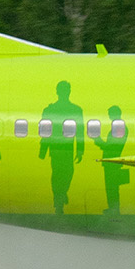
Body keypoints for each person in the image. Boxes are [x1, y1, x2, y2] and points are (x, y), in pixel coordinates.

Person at [38, 81, 84, 215]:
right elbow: (45, 131)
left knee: (68, 173)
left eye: (66, 90)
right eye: (62, 90)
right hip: (56, 148)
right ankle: (58, 200)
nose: (64, 92)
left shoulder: (76, 109)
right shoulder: (50, 110)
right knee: (57, 174)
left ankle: (61, 193)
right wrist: (43, 150)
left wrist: (80, 150)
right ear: (58, 92)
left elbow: (80, 131)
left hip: (67, 148)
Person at [94, 105, 130, 214]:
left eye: (110, 114)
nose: (109, 116)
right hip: (111, 162)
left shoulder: (120, 127)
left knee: (112, 187)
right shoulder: (117, 127)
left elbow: (113, 146)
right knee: (111, 187)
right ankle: (113, 208)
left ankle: (114, 209)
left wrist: (98, 141)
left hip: (113, 163)